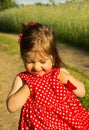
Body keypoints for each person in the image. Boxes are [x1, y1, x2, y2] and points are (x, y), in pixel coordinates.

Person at [7, 21, 89, 130]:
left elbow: (82, 92)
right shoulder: (22, 79)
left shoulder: (60, 73)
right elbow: (11, 107)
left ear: (53, 57)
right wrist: (28, 89)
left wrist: (68, 79)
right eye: (30, 62)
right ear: (23, 58)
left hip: (67, 124)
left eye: (42, 62)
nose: (36, 67)